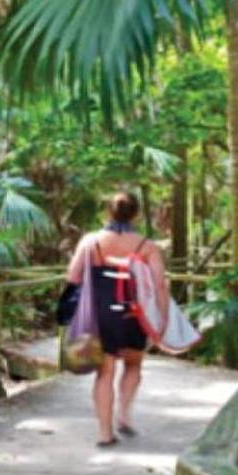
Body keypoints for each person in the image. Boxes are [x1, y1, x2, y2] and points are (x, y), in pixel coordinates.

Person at [66, 192, 167, 448]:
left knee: (104, 372)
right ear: (137, 214)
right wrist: (162, 319)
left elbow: (73, 277)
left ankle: (104, 433)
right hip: (132, 313)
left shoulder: (91, 241)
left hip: (101, 313)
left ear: (108, 212)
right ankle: (124, 414)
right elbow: (158, 286)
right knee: (133, 364)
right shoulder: (147, 245)